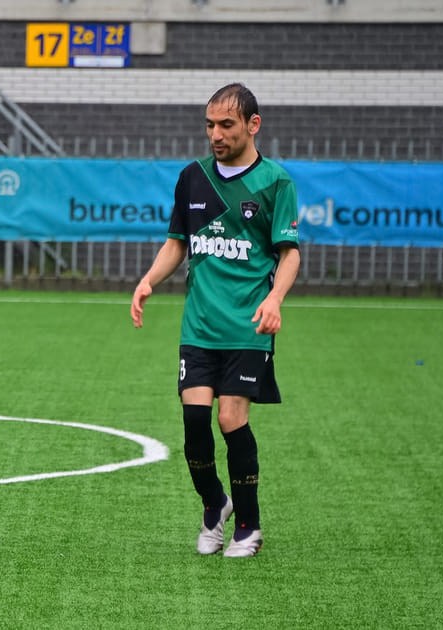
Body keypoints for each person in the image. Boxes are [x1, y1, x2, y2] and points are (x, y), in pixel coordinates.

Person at [130, 83, 300, 558]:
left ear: (253, 124)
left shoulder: (276, 183)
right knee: (194, 424)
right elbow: (177, 243)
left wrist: (275, 300)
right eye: (209, 125)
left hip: (248, 326)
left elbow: (289, 254)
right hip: (199, 327)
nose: (216, 134)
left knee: (230, 418)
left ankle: (248, 526)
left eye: (226, 125)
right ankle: (214, 505)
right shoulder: (193, 177)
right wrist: (148, 280)